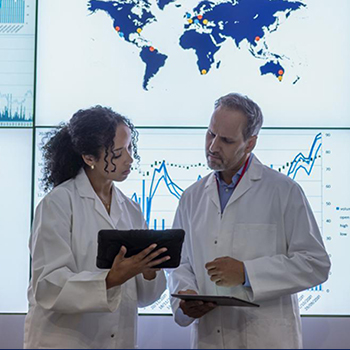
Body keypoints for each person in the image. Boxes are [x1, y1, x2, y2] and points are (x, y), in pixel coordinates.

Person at [167, 93, 331, 349]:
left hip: (266, 339)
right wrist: (186, 297)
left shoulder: (283, 191)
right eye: (211, 134)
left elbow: (315, 263)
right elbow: (181, 262)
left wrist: (246, 273)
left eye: (226, 140)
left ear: (250, 143)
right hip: (209, 337)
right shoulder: (192, 196)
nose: (212, 147)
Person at [24, 106, 170, 349]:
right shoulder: (58, 204)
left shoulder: (131, 209)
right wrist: (111, 279)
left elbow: (146, 297)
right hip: (64, 341)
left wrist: (149, 271)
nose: (130, 159)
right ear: (89, 158)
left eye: (130, 148)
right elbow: (49, 286)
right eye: (119, 152)